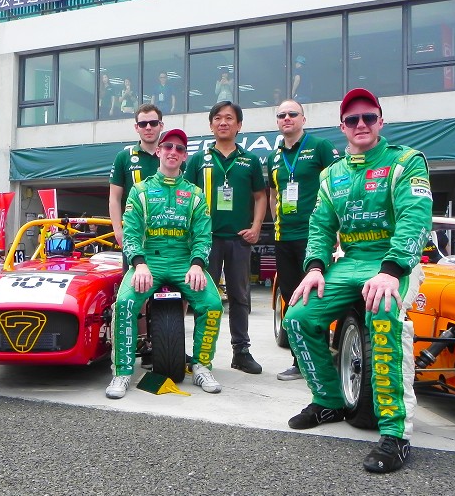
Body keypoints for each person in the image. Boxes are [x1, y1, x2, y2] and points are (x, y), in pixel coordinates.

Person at [281, 88, 433, 474]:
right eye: (352, 119)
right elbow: (320, 226)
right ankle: (329, 400)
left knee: (383, 313)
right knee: (297, 317)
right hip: (348, 263)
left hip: (393, 263)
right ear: (343, 127)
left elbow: (416, 217)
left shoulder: (406, 161)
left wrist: (392, 270)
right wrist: (315, 268)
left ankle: (395, 433)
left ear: (380, 121)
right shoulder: (331, 174)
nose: (360, 124)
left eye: (368, 117)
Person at [105, 128, 224, 399]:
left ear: (184, 156)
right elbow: (131, 233)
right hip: (149, 261)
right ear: (158, 151)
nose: (173, 152)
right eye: (168, 146)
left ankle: (202, 366)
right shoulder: (140, 191)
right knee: (124, 303)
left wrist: (197, 264)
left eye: (179, 149)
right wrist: (139, 264)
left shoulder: (195, 194)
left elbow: (203, 235)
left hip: (185, 262)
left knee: (213, 304)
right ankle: (122, 372)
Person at [184, 101, 267, 374]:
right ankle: (199, 353)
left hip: (239, 239)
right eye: (218, 118)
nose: (223, 122)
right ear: (211, 125)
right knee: (202, 296)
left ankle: (241, 351)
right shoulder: (198, 159)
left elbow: (260, 196)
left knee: (239, 296)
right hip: (205, 240)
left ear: (239, 125)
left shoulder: (250, 160)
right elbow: (185, 197)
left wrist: (256, 227)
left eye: (229, 118)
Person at [265, 99, 341, 381]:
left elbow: (337, 185)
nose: (287, 118)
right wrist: (276, 220)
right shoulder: (274, 156)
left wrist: (336, 230)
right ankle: (300, 361)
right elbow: (273, 194)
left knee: (316, 298)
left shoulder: (320, 147)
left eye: (292, 114)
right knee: (291, 298)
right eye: (281, 115)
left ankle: (321, 360)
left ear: (303, 119)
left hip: (314, 237)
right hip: (284, 237)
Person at [109, 104, 164, 369]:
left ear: (161, 125)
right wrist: (118, 231)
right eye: (143, 124)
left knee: (168, 292)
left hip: (167, 239)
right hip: (135, 238)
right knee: (137, 291)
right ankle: (141, 343)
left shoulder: (170, 153)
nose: (148, 128)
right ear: (136, 127)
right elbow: (114, 197)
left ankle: (164, 342)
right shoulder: (124, 157)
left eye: (153, 123)